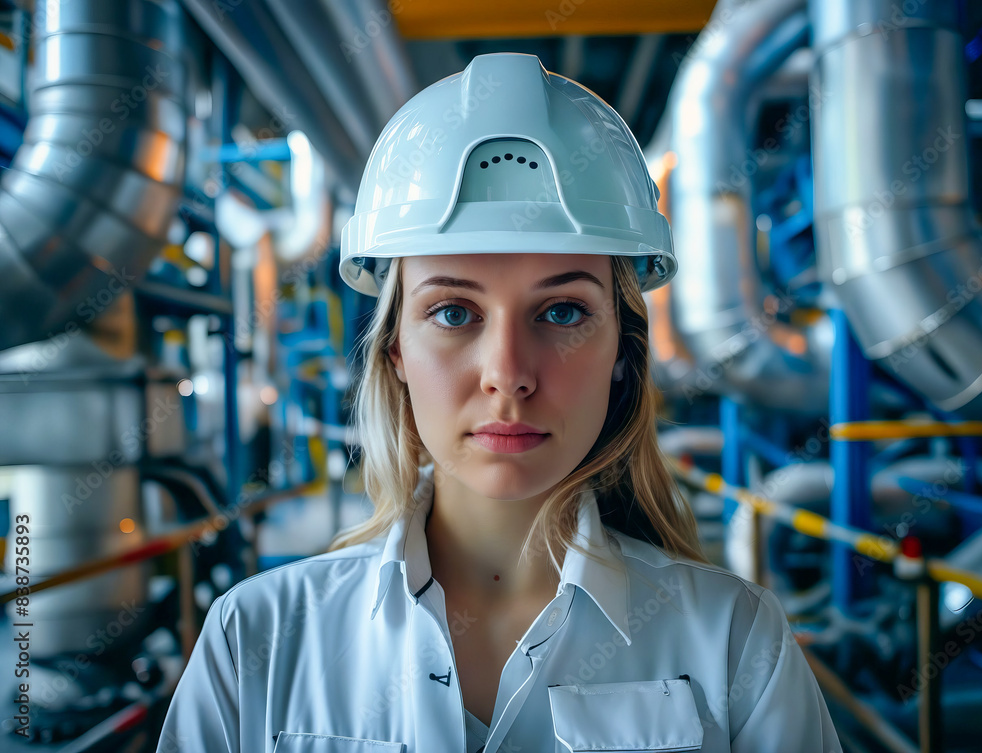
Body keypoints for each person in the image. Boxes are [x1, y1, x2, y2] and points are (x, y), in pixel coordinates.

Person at [155, 52, 843, 753]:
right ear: (395, 350)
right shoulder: (256, 643)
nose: (509, 374)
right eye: (455, 313)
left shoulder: (736, 644)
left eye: (564, 312)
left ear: (622, 353)